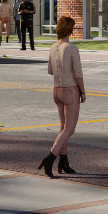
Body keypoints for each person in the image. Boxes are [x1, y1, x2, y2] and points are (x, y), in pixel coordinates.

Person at [40, 16, 84, 177]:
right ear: (70, 29)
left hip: (57, 90)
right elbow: (78, 73)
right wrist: (83, 92)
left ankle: (63, 162)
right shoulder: (72, 48)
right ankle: (51, 157)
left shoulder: (53, 47)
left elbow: (50, 70)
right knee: (70, 128)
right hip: (70, 90)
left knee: (63, 126)